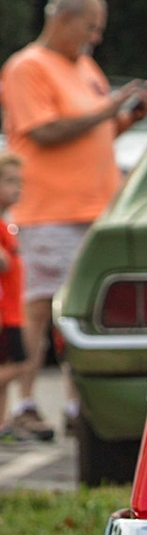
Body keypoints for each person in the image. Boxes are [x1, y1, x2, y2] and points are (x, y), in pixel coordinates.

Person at [0, 0, 147, 440]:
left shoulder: (85, 67)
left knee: (82, 313)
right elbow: (44, 132)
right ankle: (26, 403)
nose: (96, 38)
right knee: (39, 311)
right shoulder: (28, 67)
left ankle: (76, 405)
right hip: (50, 213)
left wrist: (127, 120)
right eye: (91, 27)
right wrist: (110, 107)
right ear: (63, 19)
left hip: (95, 212)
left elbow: (93, 133)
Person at [0, 153, 26, 439]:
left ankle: (2, 422)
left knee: (8, 367)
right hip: (4, 311)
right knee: (17, 366)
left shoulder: (7, 223)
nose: (17, 188)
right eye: (9, 182)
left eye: (19, 182)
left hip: (13, 309)